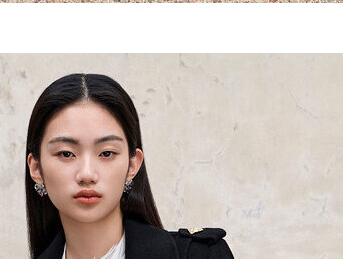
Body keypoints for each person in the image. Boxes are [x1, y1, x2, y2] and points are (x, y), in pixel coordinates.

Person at [26, 72, 235, 259]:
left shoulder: (201, 254)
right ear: (36, 168)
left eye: (106, 153)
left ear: (133, 164)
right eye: (66, 154)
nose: (87, 174)